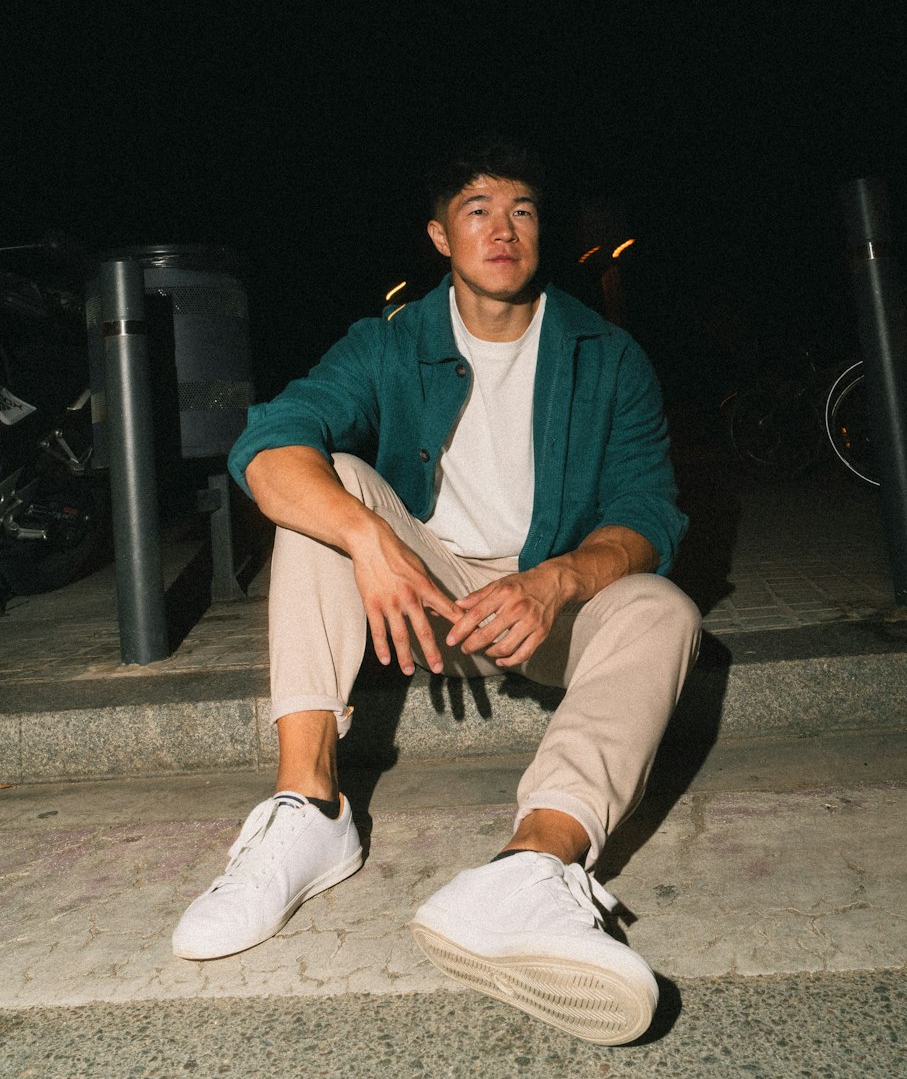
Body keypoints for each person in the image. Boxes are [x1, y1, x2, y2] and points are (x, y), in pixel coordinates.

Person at [172, 137, 701, 1046]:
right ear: (440, 236)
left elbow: (647, 511)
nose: (503, 228)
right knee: (325, 476)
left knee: (665, 608)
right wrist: (369, 536)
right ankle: (310, 810)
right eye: (477, 210)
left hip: (547, 607)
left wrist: (558, 578)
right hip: (426, 589)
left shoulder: (606, 356)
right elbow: (268, 443)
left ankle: (531, 869)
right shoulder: (391, 341)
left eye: (523, 211)